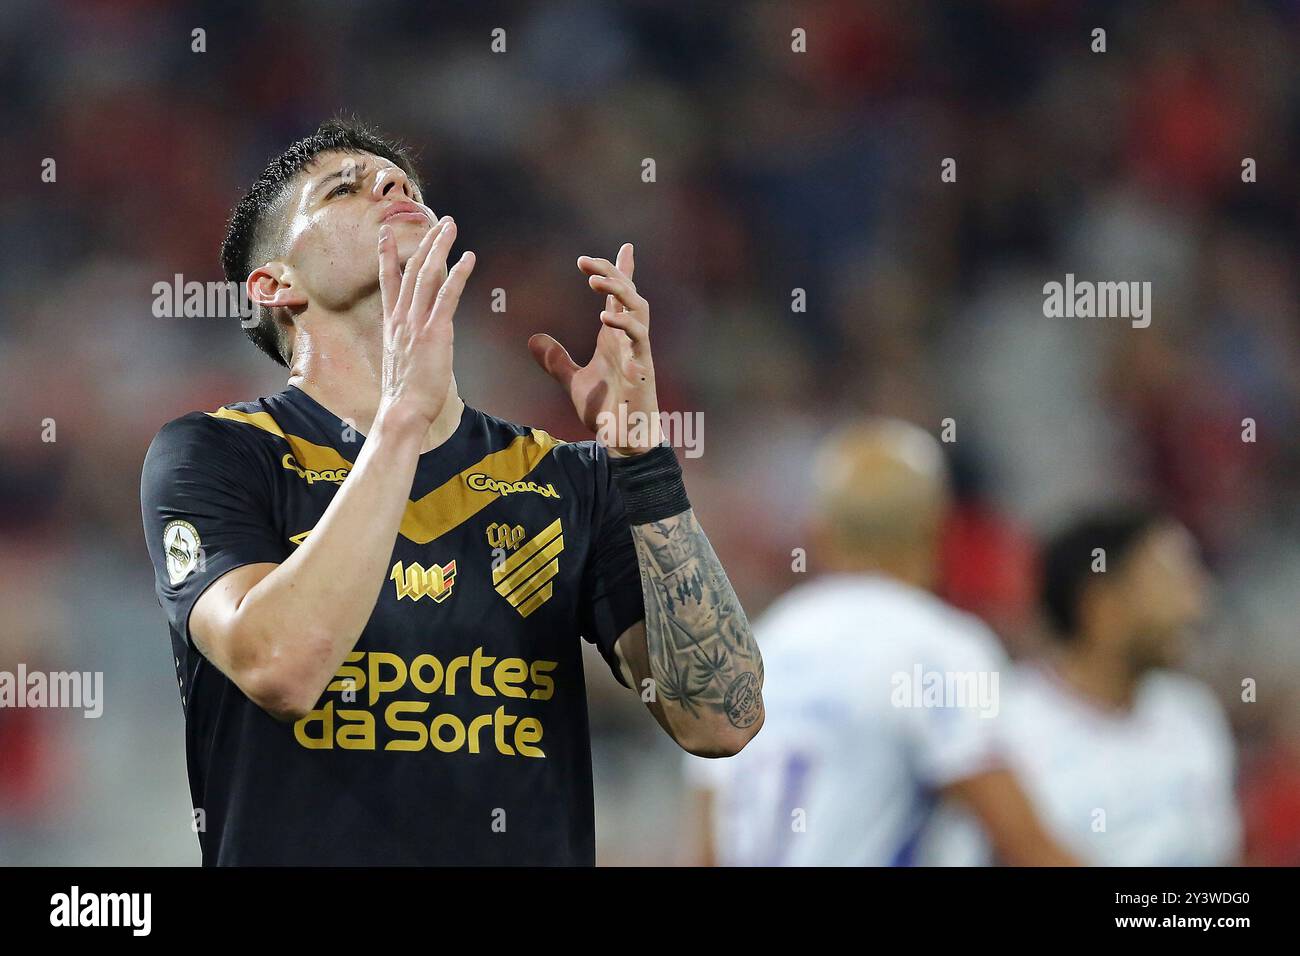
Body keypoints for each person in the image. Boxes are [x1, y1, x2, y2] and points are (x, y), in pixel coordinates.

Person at [139, 120, 763, 865]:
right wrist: (403, 418)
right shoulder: (218, 453)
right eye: (346, 187)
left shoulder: (564, 479)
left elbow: (723, 719)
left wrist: (646, 464)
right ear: (276, 285)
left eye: (404, 185)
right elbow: (280, 667)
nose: (393, 187)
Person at [682, 419, 1073, 866]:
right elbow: (1024, 846)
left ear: (820, 532)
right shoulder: (937, 647)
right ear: (938, 528)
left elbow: (706, 854)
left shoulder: (747, 651)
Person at [985, 508, 1241, 865]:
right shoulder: (1004, 728)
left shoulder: (1193, 713)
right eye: (1172, 581)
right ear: (1102, 605)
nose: (1195, 605)